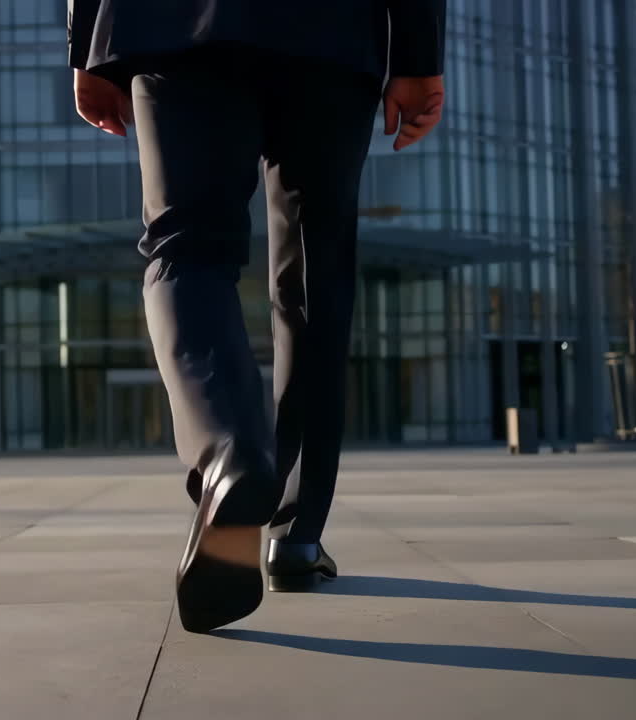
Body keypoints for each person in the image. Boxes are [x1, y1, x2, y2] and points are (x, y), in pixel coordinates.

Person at [68, 0, 446, 633]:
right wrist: (417, 54)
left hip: (171, 26)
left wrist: (88, 45)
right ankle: (296, 535)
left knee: (186, 247)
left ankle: (228, 454)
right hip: (332, 35)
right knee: (315, 279)